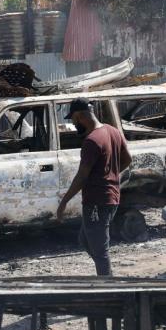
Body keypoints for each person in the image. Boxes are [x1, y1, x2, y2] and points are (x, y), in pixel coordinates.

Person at [56, 98, 131, 276]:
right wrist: (111, 175)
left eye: (73, 120)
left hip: (98, 202)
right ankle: (107, 276)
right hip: (110, 198)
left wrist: (63, 202)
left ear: (80, 116)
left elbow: (82, 176)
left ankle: (109, 287)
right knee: (85, 240)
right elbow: (127, 159)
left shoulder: (91, 141)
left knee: (100, 251)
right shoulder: (112, 131)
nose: (74, 124)